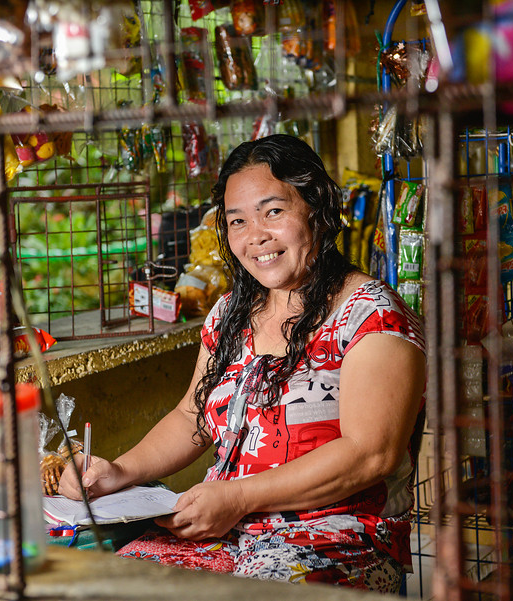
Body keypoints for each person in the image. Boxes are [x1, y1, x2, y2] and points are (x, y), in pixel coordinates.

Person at [59, 134, 426, 592]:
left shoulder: (372, 315)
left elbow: (371, 453)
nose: (255, 236)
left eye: (273, 211)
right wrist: (119, 471)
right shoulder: (230, 312)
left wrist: (237, 497)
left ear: (316, 208)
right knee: (108, 586)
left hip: (334, 540)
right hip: (223, 534)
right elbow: (192, 416)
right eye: (237, 220)